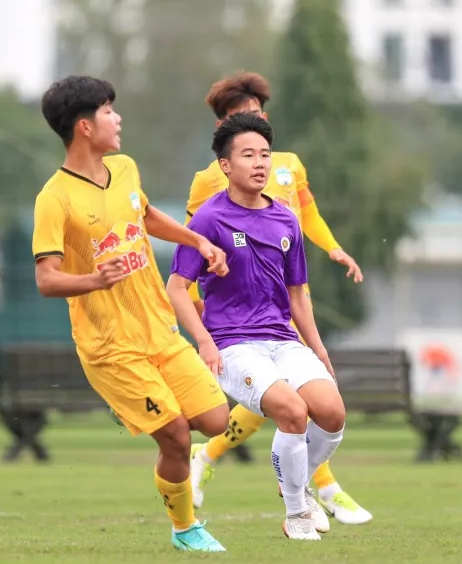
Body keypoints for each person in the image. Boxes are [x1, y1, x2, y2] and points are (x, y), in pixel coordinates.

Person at [33, 75, 231, 553]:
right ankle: (186, 529)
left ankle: (138, 409)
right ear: (84, 126)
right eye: (108, 110)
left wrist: (197, 239)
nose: (117, 118)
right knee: (178, 438)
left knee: (216, 419)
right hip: (110, 347)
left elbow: (146, 216)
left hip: (158, 329)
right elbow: (46, 280)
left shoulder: (124, 168)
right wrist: (94, 280)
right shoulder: (53, 199)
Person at [183, 71, 371, 529]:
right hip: (232, 320)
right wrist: (204, 324)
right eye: (238, 122)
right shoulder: (208, 183)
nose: (257, 157)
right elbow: (189, 250)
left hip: (281, 312)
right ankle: (309, 495)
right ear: (223, 140)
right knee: (287, 407)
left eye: (255, 117)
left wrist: (333, 248)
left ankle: (291, 481)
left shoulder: (289, 166)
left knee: (315, 407)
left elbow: (307, 215)